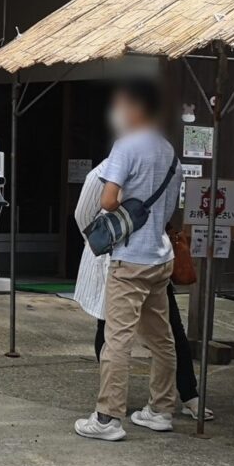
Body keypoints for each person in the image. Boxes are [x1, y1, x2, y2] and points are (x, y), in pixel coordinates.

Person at [74, 80, 181, 442]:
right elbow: (169, 209)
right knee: (161, 338)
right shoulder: (169, 151)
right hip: (160, 258)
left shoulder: (126, 146)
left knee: (116, 338)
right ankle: (161, 409)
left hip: (129, 259)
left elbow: (107, 201)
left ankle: (107, 418)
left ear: (136, 108)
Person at [75, 187, 210, 420]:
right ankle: (122, 402)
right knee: (118, 332)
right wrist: (104, 239)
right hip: (120, 259)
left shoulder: (157, 162)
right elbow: (84, 214)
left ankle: (179, 396)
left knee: (161, 333)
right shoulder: (111, 168)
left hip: (147, 258)